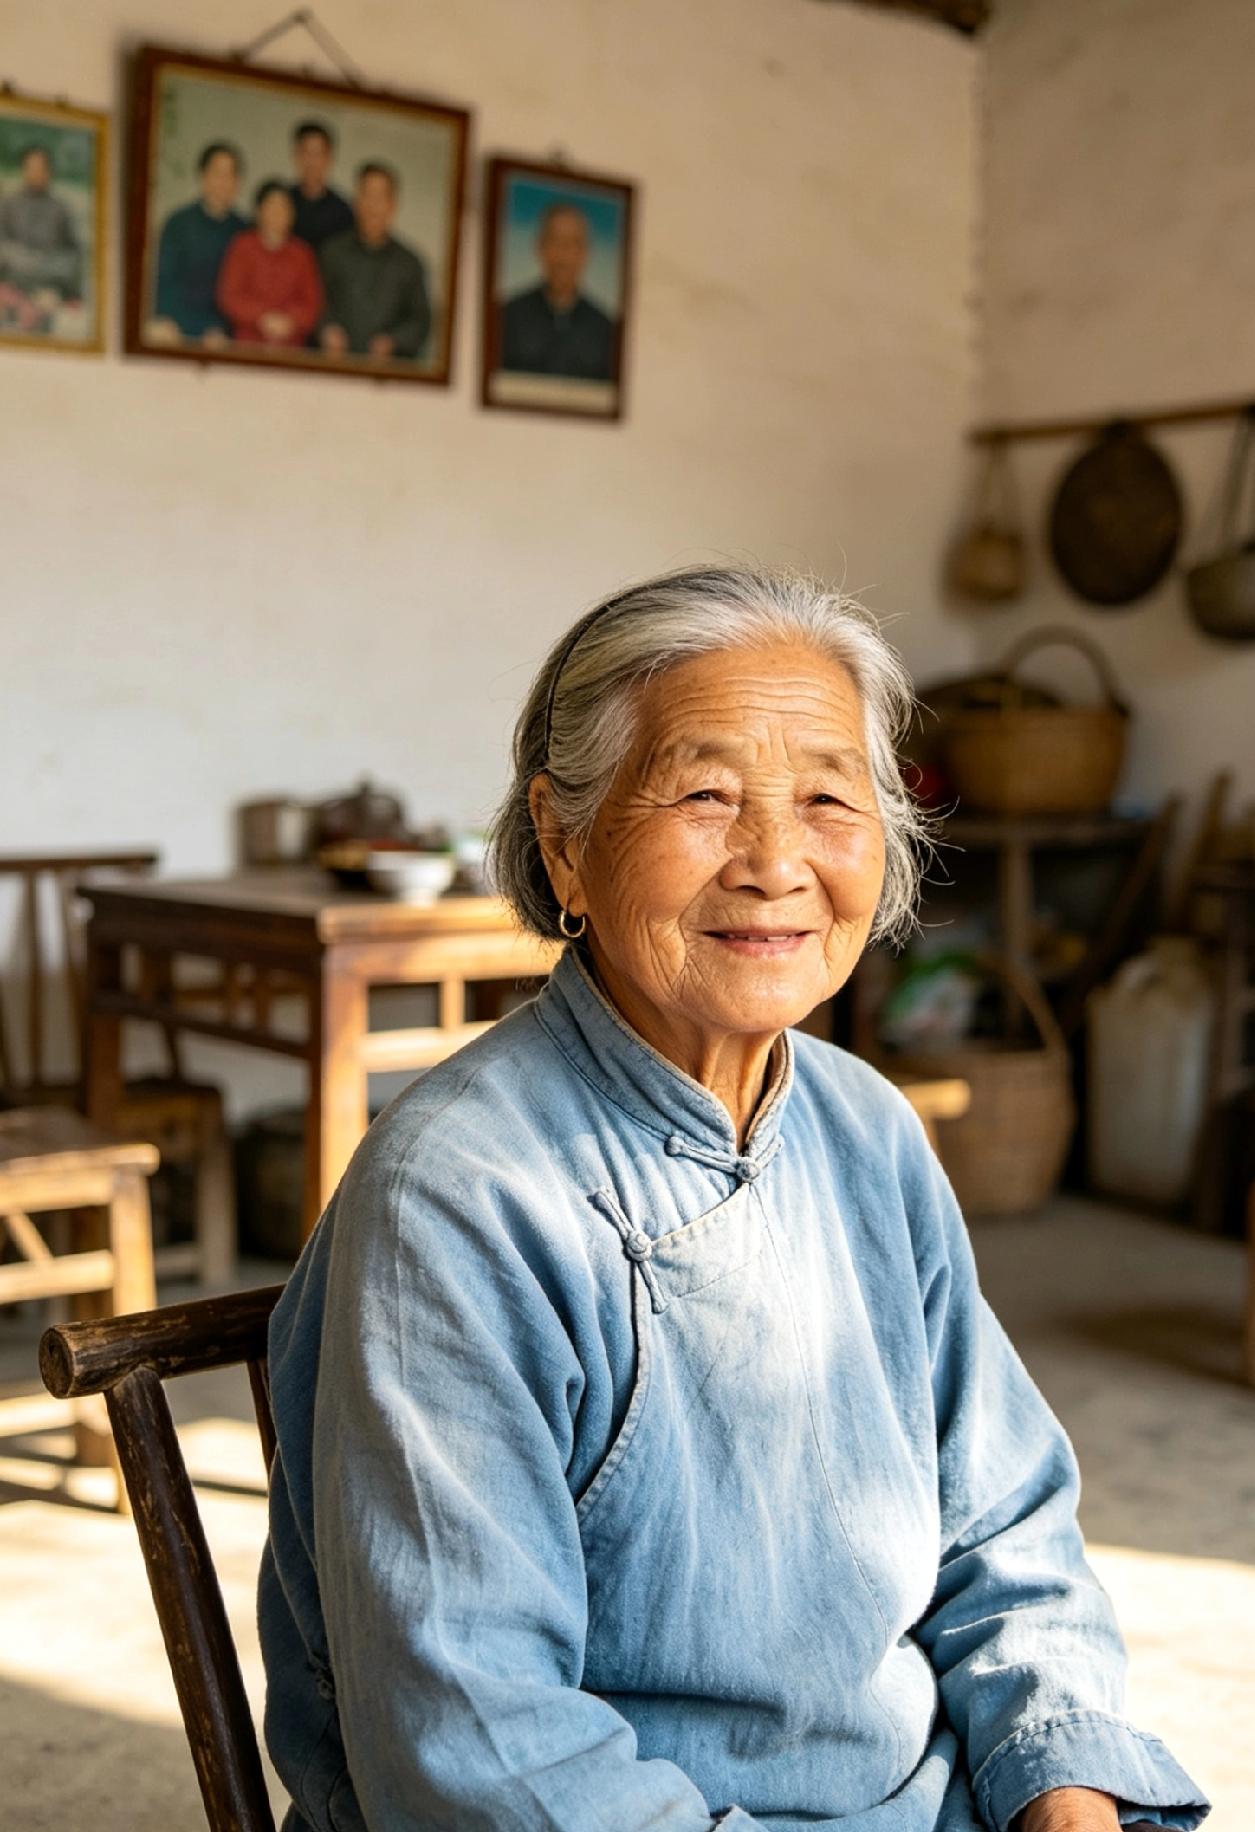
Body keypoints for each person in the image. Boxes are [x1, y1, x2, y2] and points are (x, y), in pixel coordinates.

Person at [259, 566, 1210, 1832]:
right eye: (705, 795)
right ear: (563, 842)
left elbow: (1007, 1533)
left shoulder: (865, 1126)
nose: (776, 862)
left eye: (828, 797)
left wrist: (1066, 1793)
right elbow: (478, 1747)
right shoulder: (464, 1194)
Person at [317, 162, 430, 361]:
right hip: (334, 368)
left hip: (387, 376)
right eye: (366, 195)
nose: (372, 205)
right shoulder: (332, 252)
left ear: (392, 205)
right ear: (356, 202)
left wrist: (394, 341)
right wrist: (327, 328)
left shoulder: (410, 263)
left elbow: (420, 321)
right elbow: (314, 301)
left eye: (380, 197)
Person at [499, 198, 615, 380]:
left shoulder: (605, 328)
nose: (563, 255)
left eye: (573, 244)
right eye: (556, 241)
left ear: (585, 253)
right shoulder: (508, 316)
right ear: (540, 247)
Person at [150, 141, 248, 346]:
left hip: (223, 330)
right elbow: (164, 279)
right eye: (218, 174)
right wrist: (168, 318)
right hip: (178, 322)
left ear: (238, 182)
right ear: (203, 177)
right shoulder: (178, 222)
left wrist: (218, 328)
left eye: (230, 175)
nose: (224, 182)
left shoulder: (244, 230)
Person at [216, 180, 323, 349]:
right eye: (271, 206)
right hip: (246, 346)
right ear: (258, 211)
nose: (277, 213)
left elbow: (312, 305)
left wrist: (289, 321)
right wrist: (262, 318)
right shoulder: (242, 246)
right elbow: (229, 296)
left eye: (283, 207)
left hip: (291, 348)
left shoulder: (302, 253)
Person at [0, 144, 82, 332]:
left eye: (41, 168)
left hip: (50, 289)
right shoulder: (9, 205)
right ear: (24, 170)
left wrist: (48, 269)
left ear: (49, 171)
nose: (37, 173)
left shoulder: (61, 209)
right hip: (12, 286)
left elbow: (73, 254)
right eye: (32, 168)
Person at [286, 119, 354, 250]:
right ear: (295, 156)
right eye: (306, 153)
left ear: (329, 158)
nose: (311, 162)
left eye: (317, 154)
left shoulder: (343, 212)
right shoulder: (282, 203)